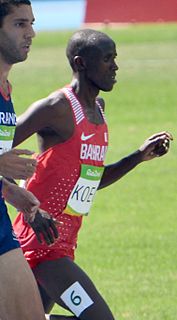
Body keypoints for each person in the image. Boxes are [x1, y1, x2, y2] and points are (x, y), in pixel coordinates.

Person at [13, 29, 173, 320]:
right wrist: (23, 200)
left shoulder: (98, 109)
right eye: (107, 59)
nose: (115, 67)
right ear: (81, 63)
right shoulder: (56, 108)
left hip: (64, 242)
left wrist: (137, 157)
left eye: (115, 58)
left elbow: (89, 182)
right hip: (40, 245)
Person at [0, 1, 58, 319]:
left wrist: (12, 191)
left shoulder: (6, 90)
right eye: (19, 24)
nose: (31, 33)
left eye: (31, 24)